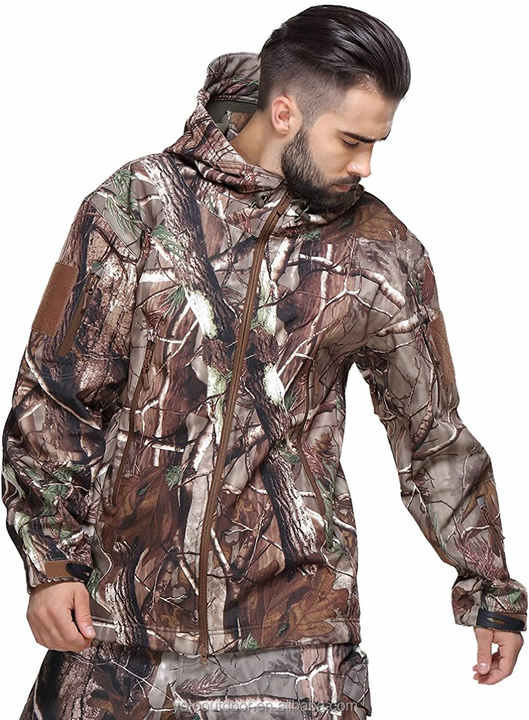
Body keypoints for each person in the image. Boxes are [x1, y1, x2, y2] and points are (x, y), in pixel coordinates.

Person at [2, 5, 526, 718]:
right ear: (284, 113)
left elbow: (428, 430)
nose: (365, 165)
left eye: (377, 143)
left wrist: (490, 588)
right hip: (118, 632)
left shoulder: (379, 250)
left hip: (293, 644)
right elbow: (57, 393)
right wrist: (52, 561)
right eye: (350, 140)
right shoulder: (137, 207)